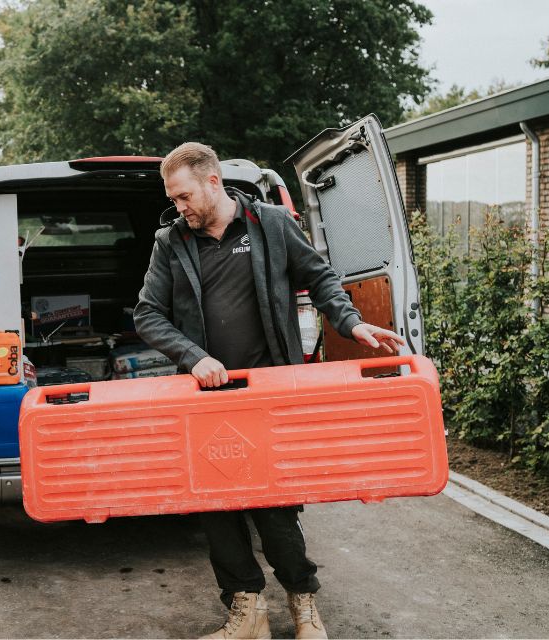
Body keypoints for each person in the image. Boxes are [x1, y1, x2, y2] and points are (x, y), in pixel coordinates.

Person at [133, 142, 404, 639]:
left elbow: (320, 278)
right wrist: (194, 357)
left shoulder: (271, 224)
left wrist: (352, 322)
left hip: (268, 397)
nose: (180, 207)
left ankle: (304, 607)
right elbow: (147, 313)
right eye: (173, 199)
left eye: (184, 195)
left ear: (212, 181)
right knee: (216, 511)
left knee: (275, 508)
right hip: (206, 401)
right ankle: (247, 616)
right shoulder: (171, 242)